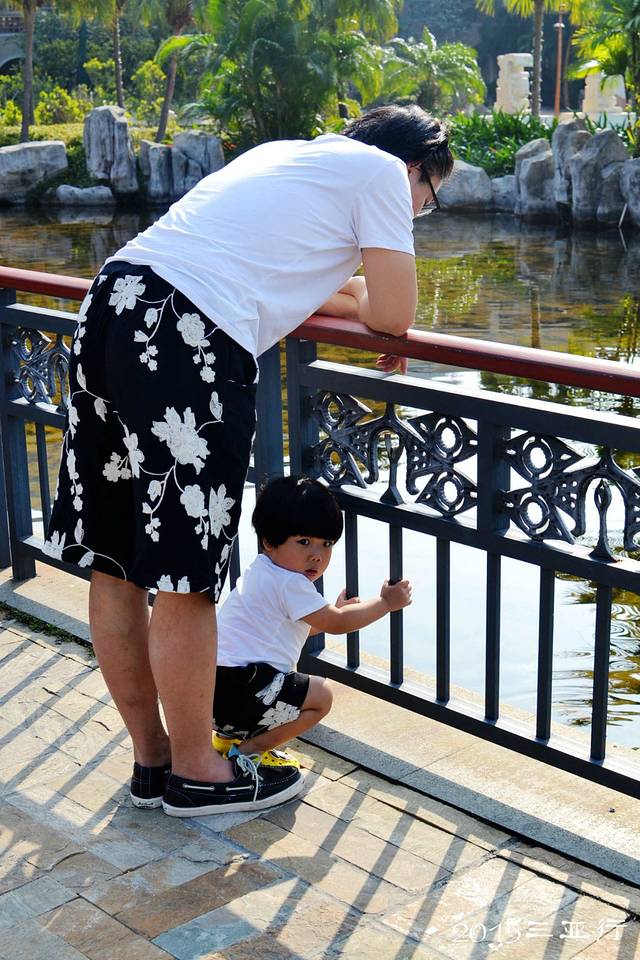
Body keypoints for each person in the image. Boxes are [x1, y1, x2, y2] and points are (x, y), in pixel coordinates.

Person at [43, 103, 453, 817]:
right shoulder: (385, 174)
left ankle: (155, 762)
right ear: (414, 167)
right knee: (186, 571)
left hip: (114, 303)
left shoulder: (287, 154)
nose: (421, 209)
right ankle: (199, 772)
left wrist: (355, 292)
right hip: (186, 336)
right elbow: (395, 313)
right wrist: (368, 295)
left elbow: (290, 278)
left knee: (116, 560)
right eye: (430, 197)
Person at [209, 476, 412, 770]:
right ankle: (250, 751)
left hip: (210, 694)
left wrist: (333, 611)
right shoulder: (290, 583)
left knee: (280, 685)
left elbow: (294, 626)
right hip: (242, 693)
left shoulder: (260, 569)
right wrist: (385, 603)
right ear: (269, 541)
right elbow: (337, 623)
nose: (317, 556)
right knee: (321, 697)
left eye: (326, 544)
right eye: (304, 542)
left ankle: (227, 740)